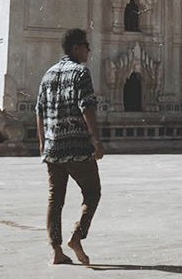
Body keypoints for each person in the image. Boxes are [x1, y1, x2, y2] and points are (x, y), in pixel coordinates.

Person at [35, 27, 105, 266]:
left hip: (53, 149)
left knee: (55, 200)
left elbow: (39, 111)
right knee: (93, 192)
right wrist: (96, 140)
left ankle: (56, 250)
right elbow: (87, 107)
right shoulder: (80, 73)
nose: (89, 50)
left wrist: (43, 143)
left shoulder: (48, 74)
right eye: (86, 46)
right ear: (76, 48)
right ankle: (77, 236)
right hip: (76, 147)